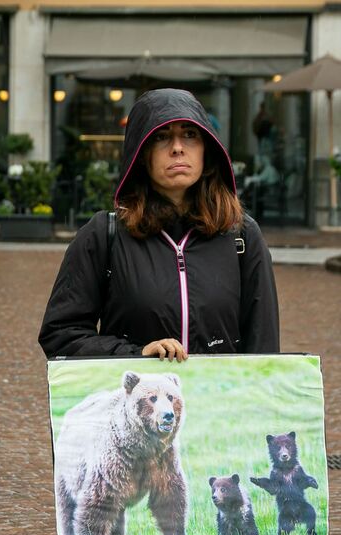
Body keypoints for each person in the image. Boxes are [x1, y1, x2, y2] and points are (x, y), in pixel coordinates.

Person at [39, 88, 279, 361]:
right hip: (137, 399)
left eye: (190, 134)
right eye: (162, 137)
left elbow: (264, 348)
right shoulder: (105, 235)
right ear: (142, 154)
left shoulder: (242, 236)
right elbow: (60, 334)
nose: (177, 147)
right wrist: (136, 353)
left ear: (206, 150)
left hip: (221, 400)